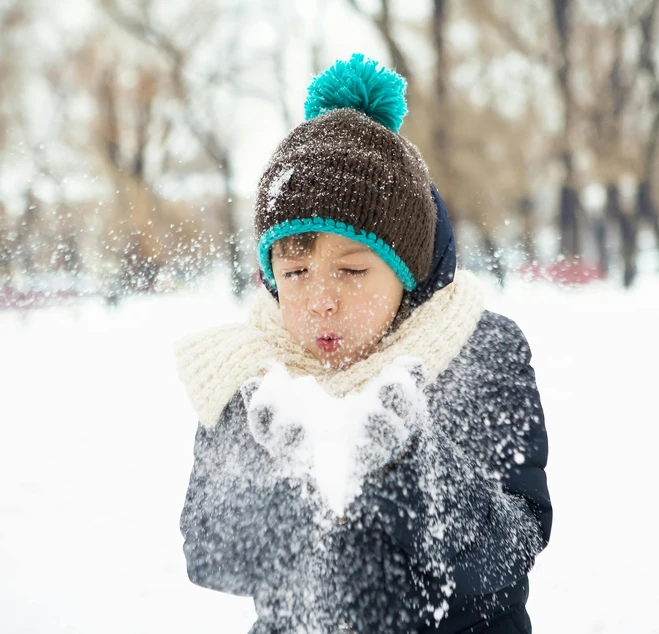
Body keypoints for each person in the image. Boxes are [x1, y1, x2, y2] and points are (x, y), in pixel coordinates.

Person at [174, 53, 552, 634]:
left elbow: (515, 543)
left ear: (406, 273)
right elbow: (209, 549)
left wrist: (411, 465)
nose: (321, 300)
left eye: (352, 272)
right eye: (296, 274)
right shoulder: (249, 373)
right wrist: (293, 480)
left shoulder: (477, 351)